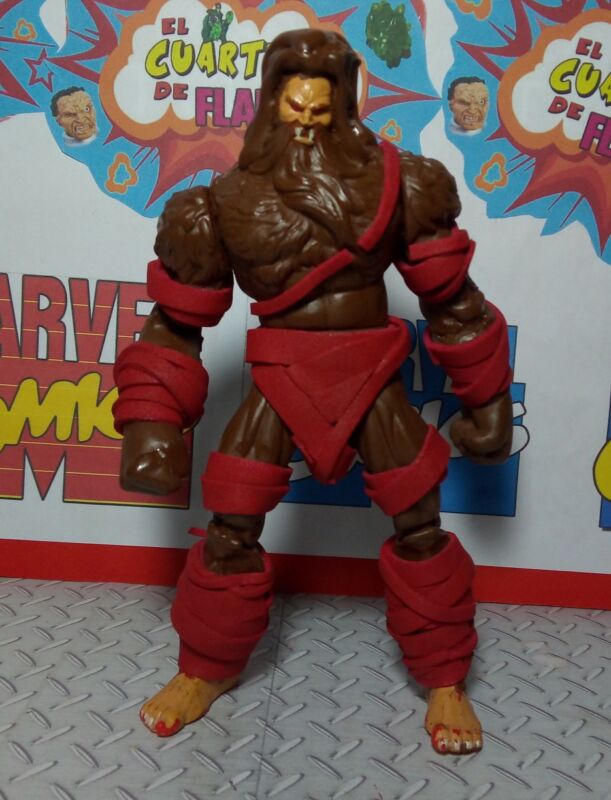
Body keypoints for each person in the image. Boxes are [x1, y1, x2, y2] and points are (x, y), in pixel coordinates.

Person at [113, 29, 513, 755]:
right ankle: (206, 665)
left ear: (345, 109)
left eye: (320, 111)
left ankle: (445, 675)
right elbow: (174, 325)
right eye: (293, 108)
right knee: (231, 524)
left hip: (370, 374)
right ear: (270, 104)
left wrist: (484, 398)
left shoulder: (400, 185)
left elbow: (452, 300)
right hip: (278, 378)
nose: (305, 123)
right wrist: (151, 425)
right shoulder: (218, 205)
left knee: (419, 524)